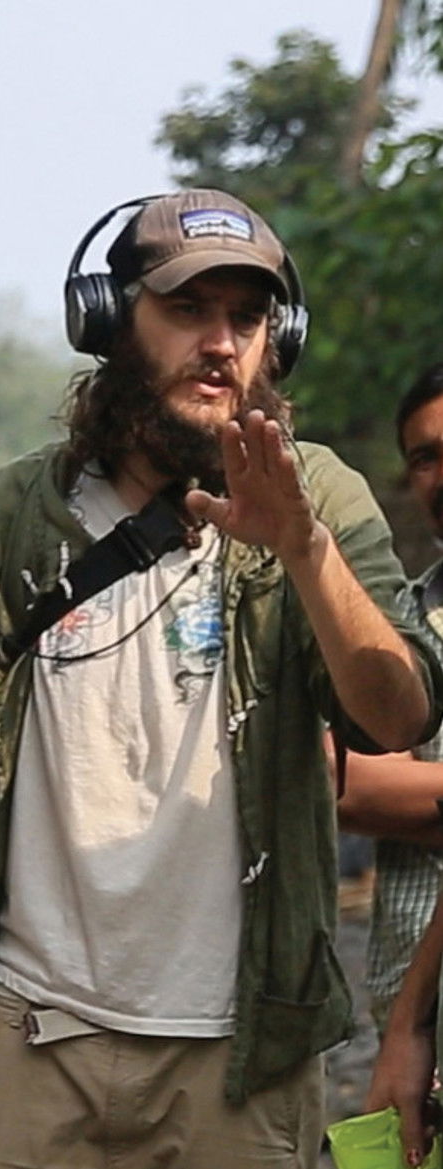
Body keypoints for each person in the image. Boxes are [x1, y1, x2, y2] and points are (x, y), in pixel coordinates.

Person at [0, 189, 443, 1169]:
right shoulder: (10, 516)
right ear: (107, 321)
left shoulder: (318, 496)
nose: (221, 343)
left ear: (278, 340)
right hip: (32, 1031)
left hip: (242, 1053)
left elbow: (397, 715)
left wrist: (305, 549)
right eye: (187, 309)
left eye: (247, 318)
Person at [334, 364, 443, 1035]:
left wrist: (419, 796)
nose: (442, 477)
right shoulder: (395, 622)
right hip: (416, 1027)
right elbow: (346, 783)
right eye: (425, 458)